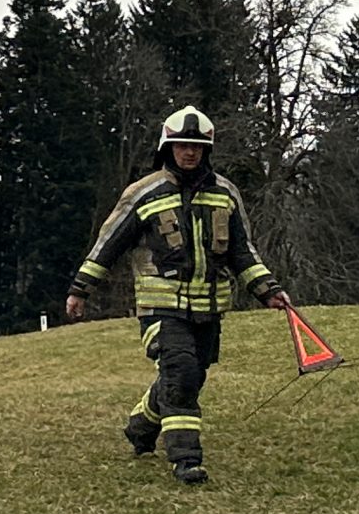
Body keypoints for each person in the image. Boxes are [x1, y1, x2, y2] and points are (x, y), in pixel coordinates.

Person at [65, 106, 292, 485]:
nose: (190, 153)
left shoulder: (225, 194)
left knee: (188, 376)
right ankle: (186, 460)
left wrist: (267, 288)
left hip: (209, 308)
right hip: (160, 307)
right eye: (182, 146)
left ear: (207, 151)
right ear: (167, 148)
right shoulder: (143, 193)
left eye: (197, 147)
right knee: (181, 372)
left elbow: (242, 251)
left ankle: (141, 425)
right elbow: (108, 245)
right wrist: (80, 290)